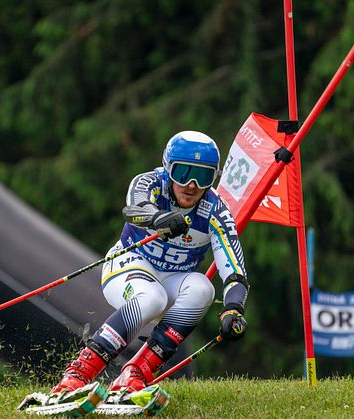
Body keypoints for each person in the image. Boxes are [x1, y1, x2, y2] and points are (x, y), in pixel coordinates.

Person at [50, 131, 249, 399]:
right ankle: (77, 375)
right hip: (128, 266)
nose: (191, 185)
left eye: (202, 176)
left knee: (203, 288)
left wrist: (234, 309)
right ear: (168, 168)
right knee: (151, 297)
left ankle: (136, 375)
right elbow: (134, 209)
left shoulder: (215, 211)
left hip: (173, 281)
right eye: (183, 173)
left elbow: (234, 270)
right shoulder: (150, 182)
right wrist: (158, 218)